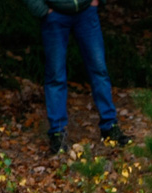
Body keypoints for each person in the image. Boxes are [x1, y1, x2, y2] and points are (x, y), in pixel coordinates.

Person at [21, 0, 131, 154]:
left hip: (86, 12)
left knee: (99, 70)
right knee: (55, 75)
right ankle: (57, 134)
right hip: (55, 15)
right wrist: (42, 10)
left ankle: (110, 127)